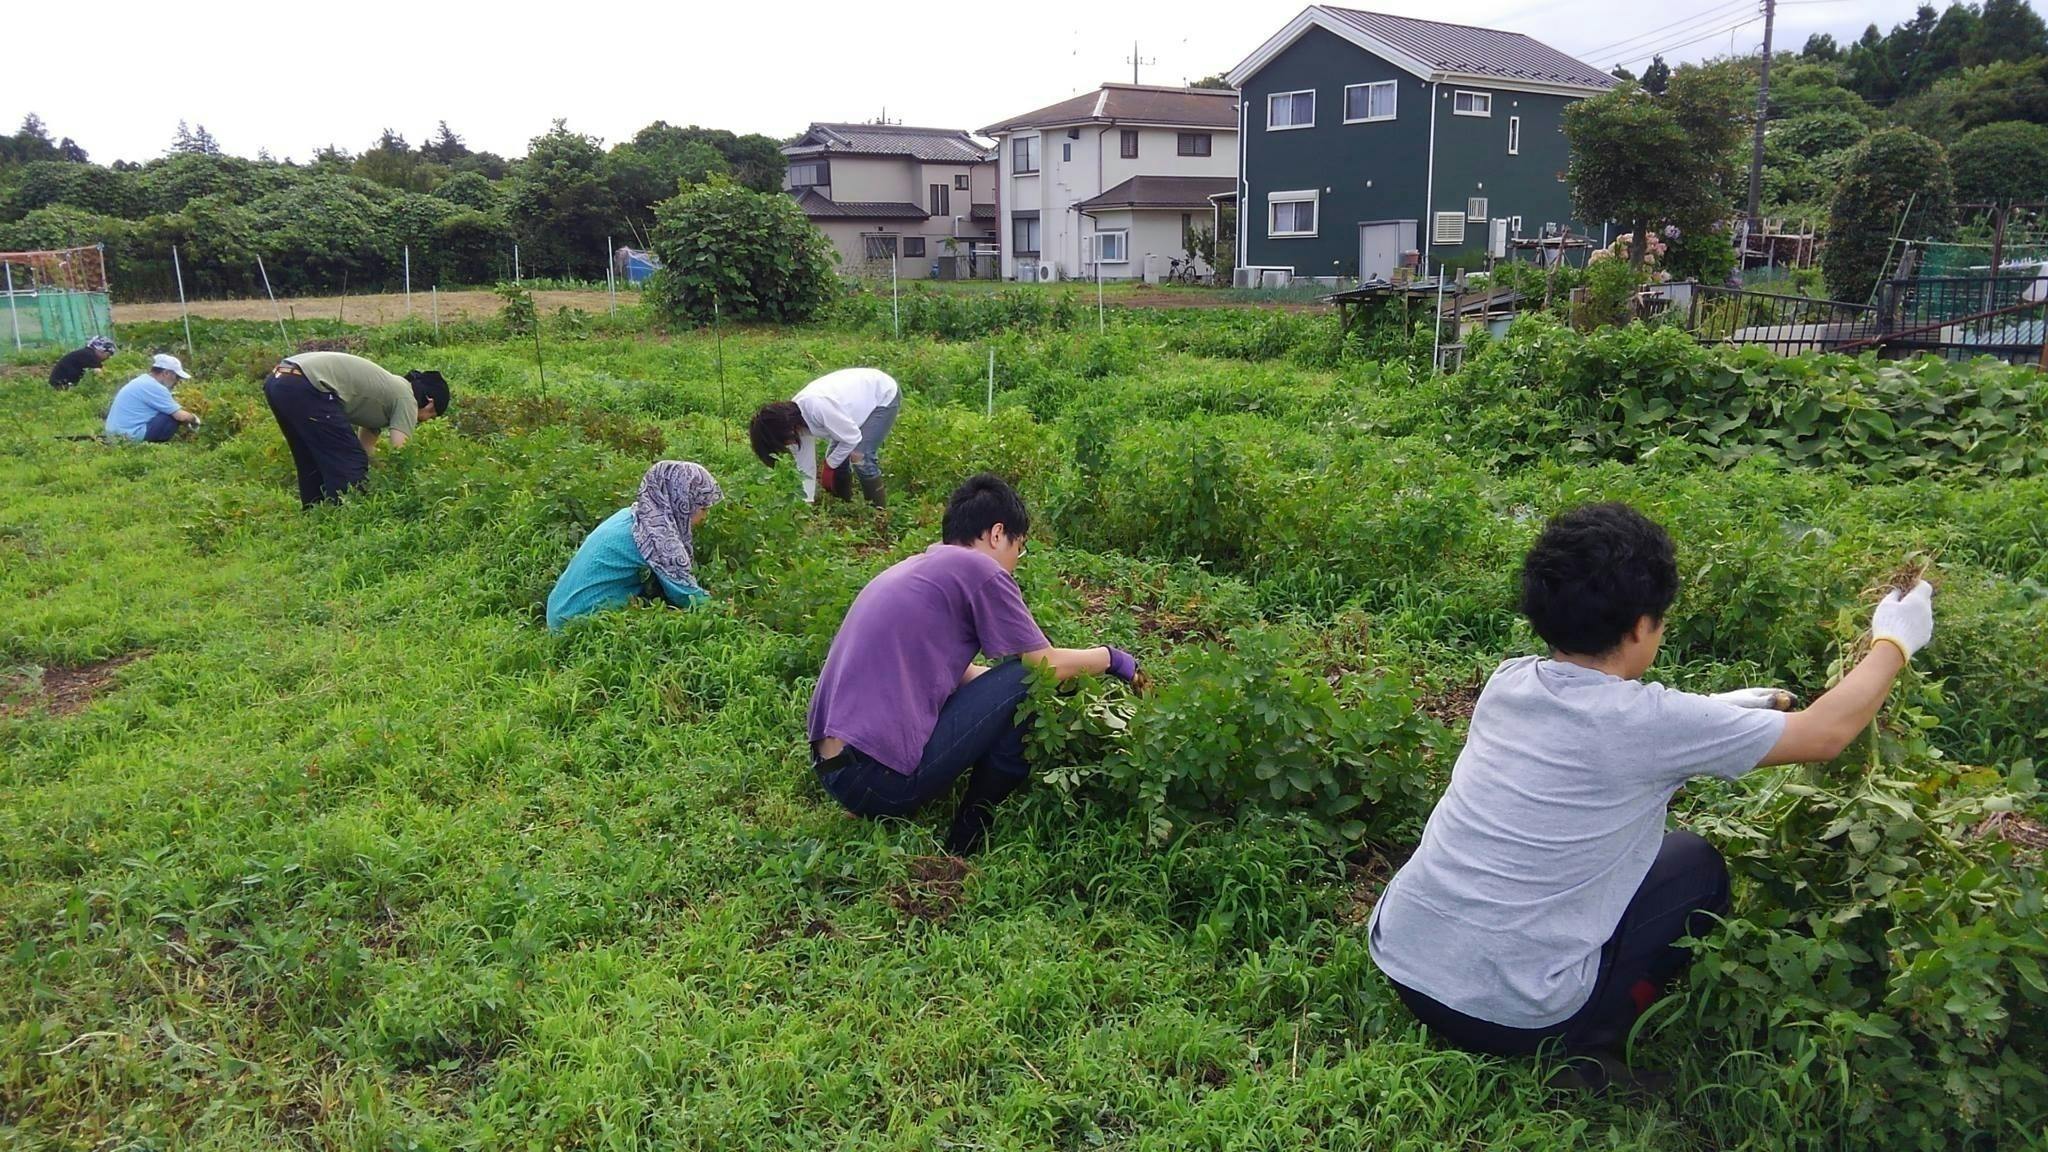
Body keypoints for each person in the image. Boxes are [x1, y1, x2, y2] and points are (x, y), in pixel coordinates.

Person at [1368, 502, 1935, 1082]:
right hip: (1516, 1015)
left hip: (1407, 962)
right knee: (1695, 867)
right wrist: (1893, 641)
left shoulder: (1509, 680)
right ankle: (1595, 1037)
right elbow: (1825, 733)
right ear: (1642, 625)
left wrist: (1725, 711)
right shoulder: (1654, 725)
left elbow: (1613, 739)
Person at [807, 473, 1144, 855]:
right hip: (877, 782)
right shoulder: (978, 569)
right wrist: (1113, 659)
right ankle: (969, 834)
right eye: (1021, 548)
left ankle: (915, 808)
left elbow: (961, 676)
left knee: (1015, 683)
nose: (1017, 561)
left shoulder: (919, 568)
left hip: (836, 773)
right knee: (1028, 677)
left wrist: (1005, 692)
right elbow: (1042, 664)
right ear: (998, 534)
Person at [546, 461, 724, 629]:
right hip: (577, 621)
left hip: (559, 611)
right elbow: (686, 596)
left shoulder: (634, 516)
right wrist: (722, 606)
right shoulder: (658, 538)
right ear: (682, 503)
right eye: (703, 509)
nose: (704, 517)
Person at [261, 351, 449, 508]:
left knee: (310, 457)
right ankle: (346, 519)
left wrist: (381, 473)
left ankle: (314, 514)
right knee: (349, 462)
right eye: (431, 417)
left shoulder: (385, 396)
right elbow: (400, 455)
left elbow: (367, 451)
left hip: (280, 380)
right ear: (430, 403)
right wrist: (411, 487)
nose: (424, 421)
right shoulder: (407, 399)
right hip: (307, 385)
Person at [749, 367, 900, 507]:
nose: (787, 444)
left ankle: (878, 513)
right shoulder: (794, 423)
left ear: (786, 430)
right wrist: (806, 502)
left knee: (860, 455)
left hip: (881, 394)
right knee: (836, 457)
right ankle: (844, 503)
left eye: (783, 441)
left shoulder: (817, 407)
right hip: (850, 409)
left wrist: (830, 465)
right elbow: (805, 465)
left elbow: (852, 438)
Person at [104, 353, 200, 442]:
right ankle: (155, 445)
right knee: (171, 416)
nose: (177, 381)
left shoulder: (143, 380)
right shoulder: (155, 387)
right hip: (129, 436)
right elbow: (181, 416)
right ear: (166, 373)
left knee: (168, 411)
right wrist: (195, 419)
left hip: (114, 435)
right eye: (176, 377)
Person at [49, 336, 116, 390]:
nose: (108, 358)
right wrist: (111, 383)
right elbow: (100, 373)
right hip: (61, 383)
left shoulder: (85, 353)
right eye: (108, 355)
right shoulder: (89, 355)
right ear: (100, 350)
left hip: (59, 381)